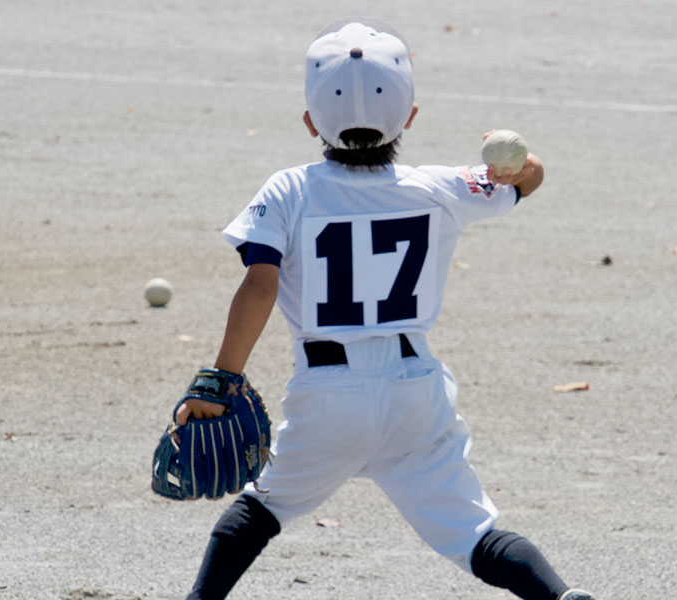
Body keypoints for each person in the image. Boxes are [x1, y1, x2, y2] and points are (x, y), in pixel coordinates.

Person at [173, 19, 596, 600]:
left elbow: (261, 286)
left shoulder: (289, 190)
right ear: (411, 117)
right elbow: (532, 176)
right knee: (477, 535)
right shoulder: (441, 186)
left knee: (259, 510)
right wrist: (516, 164)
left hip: (328, 397)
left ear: (309, 122)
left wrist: (219, 380)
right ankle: (563, 597)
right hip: (414, 394)